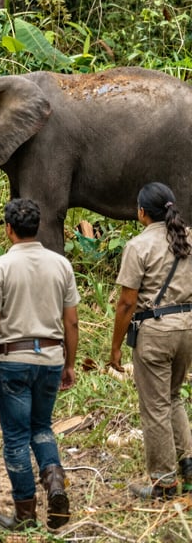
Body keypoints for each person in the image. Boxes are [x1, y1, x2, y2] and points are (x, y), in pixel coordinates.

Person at [0, 198, 79, 531]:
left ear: (8, 229)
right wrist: (70, 363)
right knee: (43, 427)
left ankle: (25, 512)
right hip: (51, 357)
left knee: (17, 437)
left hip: (13, 360)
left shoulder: (0, 267)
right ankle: (55, 482)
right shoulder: (60, 264)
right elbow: (72, 323)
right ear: (37, 227)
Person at [108, 181, 192, 500]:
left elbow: (127, 303)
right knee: (173, 397)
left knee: (155, 406)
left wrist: (116, 347)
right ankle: (188, 466)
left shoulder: (139, 246)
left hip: (155, 332)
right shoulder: (188, 239)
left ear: (142, 212)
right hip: (187, 327)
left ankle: (165, 482)